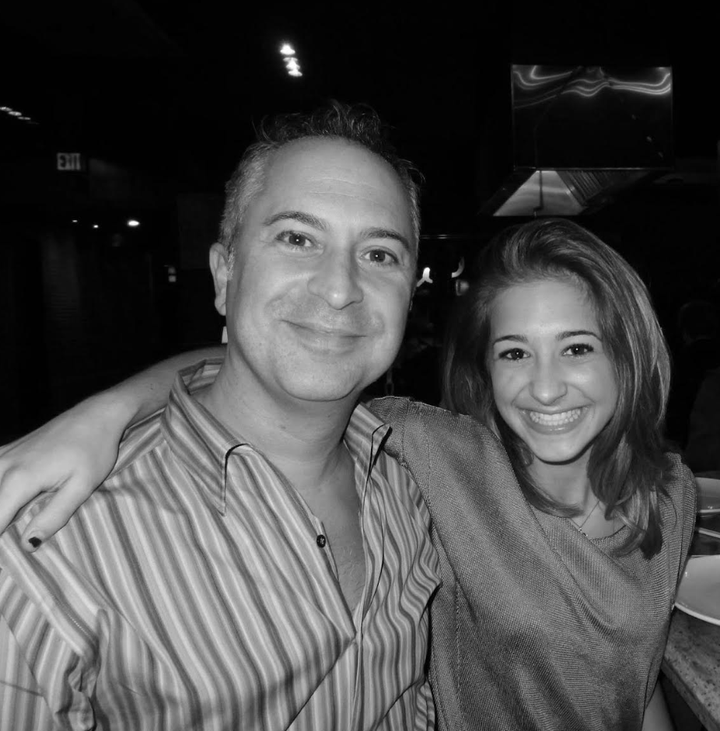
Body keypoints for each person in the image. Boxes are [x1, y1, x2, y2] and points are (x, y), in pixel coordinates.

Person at [0, 219, 694, 728]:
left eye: (576, 347)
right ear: (484, 369)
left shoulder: (670, 491)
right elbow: (268, 364)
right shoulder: (437, 454)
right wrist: (110, 409)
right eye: (514, 353)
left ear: (625, 354)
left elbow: (635, 678)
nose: (545, 389)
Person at [0, 103, 442, 730]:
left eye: (379, 255)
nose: (340, 288)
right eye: (297, 239)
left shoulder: (414, 484)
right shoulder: (48, 546)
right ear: (223, 273)